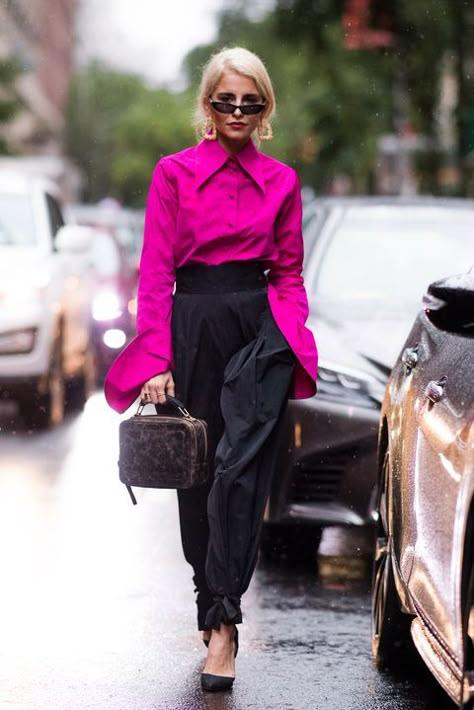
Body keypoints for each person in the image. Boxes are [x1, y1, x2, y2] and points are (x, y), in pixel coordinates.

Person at [104, 46, 318, 692]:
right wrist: (156, 358)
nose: (237, 112)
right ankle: (210, 597)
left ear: (264, 109)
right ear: (208, 103)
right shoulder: (172, 174)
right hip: (191, 324)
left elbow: (287, 272)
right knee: (199, 476)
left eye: (250, 103)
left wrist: (289, 333)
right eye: (226, 101)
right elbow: (155, 272)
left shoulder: (281, 181)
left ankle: (225, 625)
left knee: (239, 474)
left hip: (259, 332)